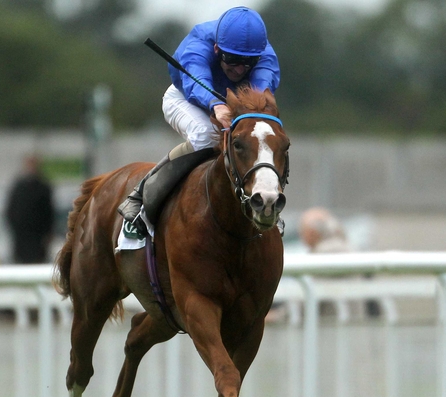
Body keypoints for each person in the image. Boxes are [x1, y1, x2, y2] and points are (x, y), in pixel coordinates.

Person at [118, 6, 281, 237]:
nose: (239, 69)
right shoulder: (197, 45)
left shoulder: (264, 55)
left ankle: (268, 203)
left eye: (248, 62)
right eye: (232, 59)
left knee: (260, 135)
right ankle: (141, 195)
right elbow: (196, 81)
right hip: (186, 98)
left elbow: (261, 93)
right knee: (206, 134)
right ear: (216, 49)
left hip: (234, 104)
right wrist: (215, 104)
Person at [298, 207, 380, 318]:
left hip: (332, 324)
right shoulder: (348, 248)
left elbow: (308, 298)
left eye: (302, 232)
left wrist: (281, 316)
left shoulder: (324, 255)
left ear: (312, 232)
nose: (302, 238)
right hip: (354, 321)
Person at [5, 154, 55, 264]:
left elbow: (49, 213)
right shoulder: (18, 187)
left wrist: (47, 233)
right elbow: (10, 211)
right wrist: (16, 229)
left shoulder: (43, 187)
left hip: (38, 238)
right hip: (21, 237)